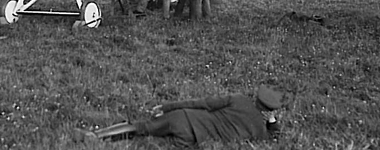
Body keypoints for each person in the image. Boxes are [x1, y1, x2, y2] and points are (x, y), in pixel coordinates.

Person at [73, 85, 289, 146]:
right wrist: (272, 122)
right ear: (270, 110)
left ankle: (96, 137)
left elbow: (201, 103)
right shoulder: (259, 131)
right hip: (192, 139)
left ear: (256, 96)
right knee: (153, 138)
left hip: (185, 118)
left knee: (141, 127)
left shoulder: (238, 99)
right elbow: (274, 139)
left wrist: (167, 106)